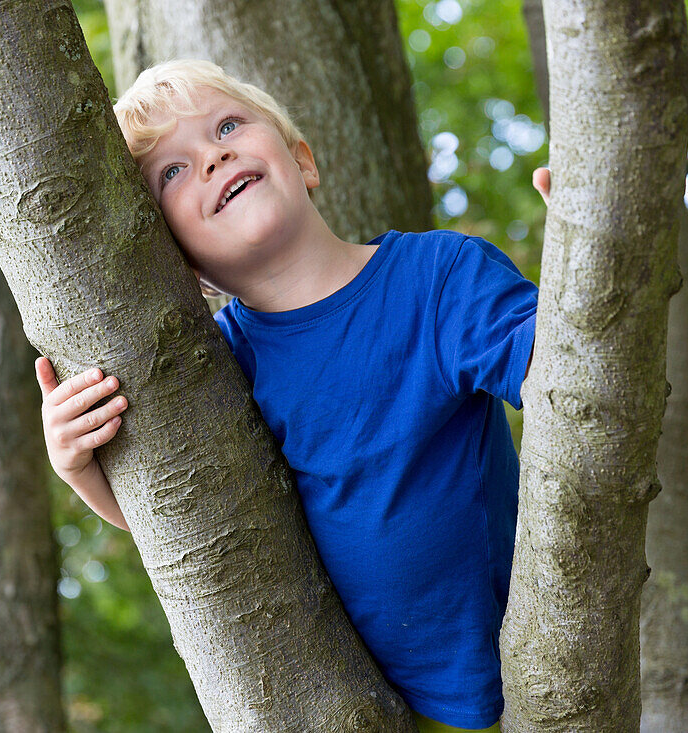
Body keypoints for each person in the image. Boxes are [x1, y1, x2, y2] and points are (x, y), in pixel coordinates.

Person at [34, 59, 550, 732]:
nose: (213, 156)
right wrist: (77, 466)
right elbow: (179, 515)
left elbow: (565, 380)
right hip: (359, 699)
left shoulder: (439, 278)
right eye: (173, 171)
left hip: (517, 667)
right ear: (181, 263)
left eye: (227, 126)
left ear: (301, 160)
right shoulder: (215, 369)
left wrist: (588, 264)